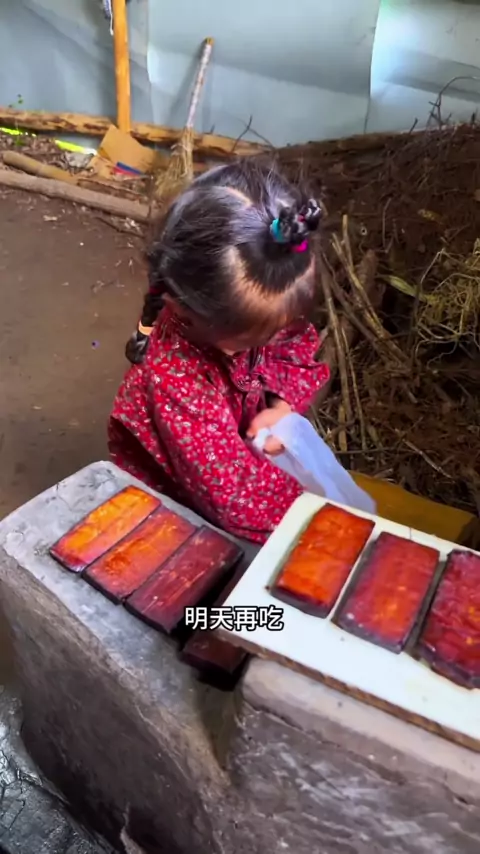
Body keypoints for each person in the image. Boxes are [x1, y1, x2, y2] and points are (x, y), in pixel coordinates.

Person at [108, 159, 329, 544]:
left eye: (282, 328)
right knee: (185, 540)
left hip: (234, 455)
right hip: (192, 482)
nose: (279, 339)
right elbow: (236, 500)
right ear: (184, 309)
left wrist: (282, 403)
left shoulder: (266, 304)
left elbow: (295, 348)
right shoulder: (176, 380)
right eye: (256, 339)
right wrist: (317, 520)